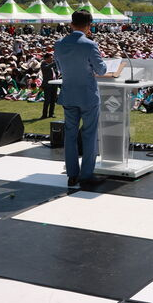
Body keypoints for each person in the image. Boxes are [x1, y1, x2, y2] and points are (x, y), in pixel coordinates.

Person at [54, 10, 112, 188]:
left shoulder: (59, 44)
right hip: (87, 95)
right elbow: (101, 70)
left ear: (71, 24)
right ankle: (86, 175)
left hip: (68, 94)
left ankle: (72, 175)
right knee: (89, 134)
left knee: (70, 135)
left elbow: (59, 67)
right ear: (89, 26)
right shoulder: (90, 45)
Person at [40, 52, 58, 118]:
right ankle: (44, 115)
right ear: (46, 58)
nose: (52, 59)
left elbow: (56, 72)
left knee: (53, 100)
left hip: (54, 84)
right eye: (51, 58)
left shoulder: (53, 65)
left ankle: (51, 114)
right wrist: (55, 62)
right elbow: (47, 67)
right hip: (47, 85)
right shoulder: (43, 64)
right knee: (47, 100)